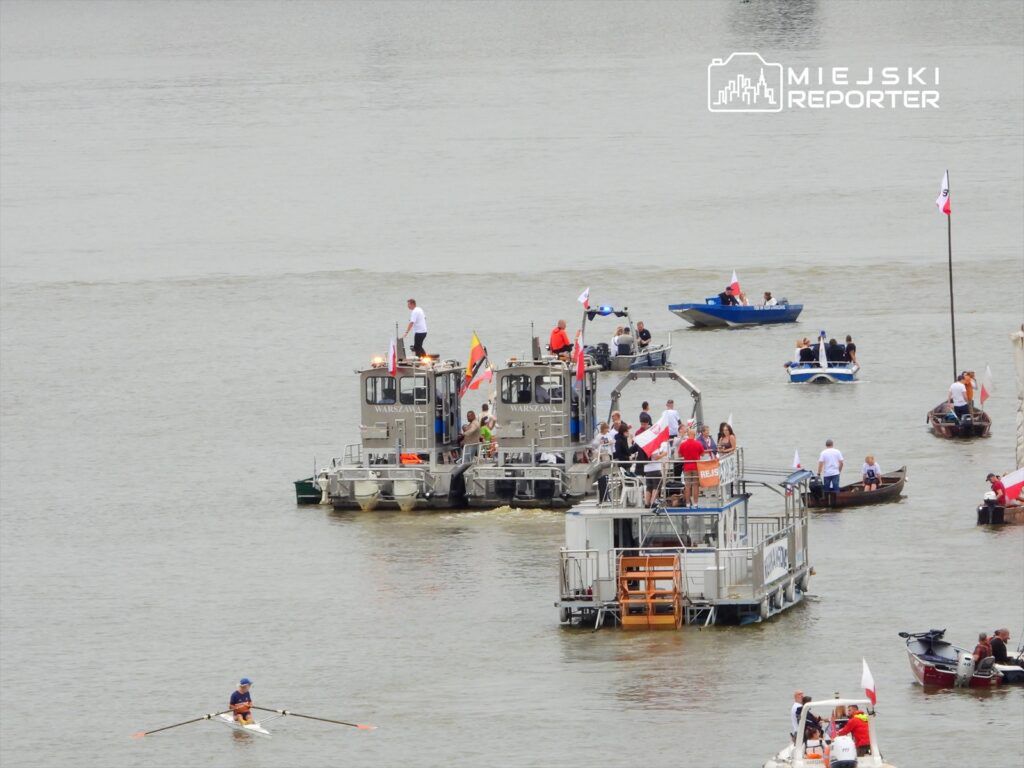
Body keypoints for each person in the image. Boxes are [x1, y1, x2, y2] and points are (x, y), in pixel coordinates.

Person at [677, 427, 704, 506]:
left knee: (687, 485)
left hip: (687, 467)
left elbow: (679, 455)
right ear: (694, 435)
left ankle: (688, 503)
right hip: (696, 466)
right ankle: (695, 503)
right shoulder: (698, 443)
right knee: (695, 485)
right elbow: (702, 454)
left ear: (688, 435)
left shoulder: (683, 444)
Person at [590, 422, 614, 501]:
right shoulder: (598, 436)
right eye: (606, 428)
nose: (607, 430)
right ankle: (603, 497)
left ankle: (606, 496)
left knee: (606, 475)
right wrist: (605, 443)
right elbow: (596, 445)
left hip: (607, 454)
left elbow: (612, 441)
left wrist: (609, 443)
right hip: (601, 455)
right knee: (602, 477)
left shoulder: (608, 435)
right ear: (603, 429)